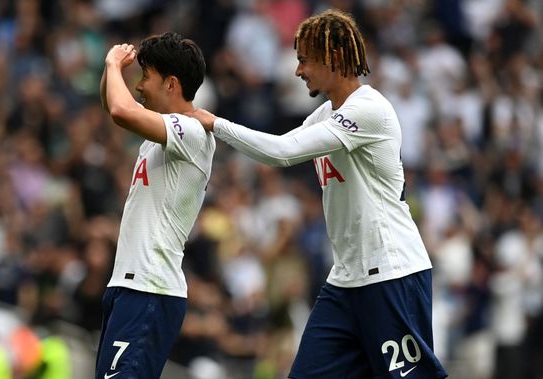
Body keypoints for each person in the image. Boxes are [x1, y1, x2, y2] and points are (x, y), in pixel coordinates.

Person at [188, 9, 448, 379]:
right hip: (345, 280)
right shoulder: (325, 114)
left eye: (304, 60)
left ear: (335, 58)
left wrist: (214, 122)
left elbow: (281, 151)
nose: (298, 71)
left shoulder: (368, 110)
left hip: (391, 273)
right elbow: (275, 148)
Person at [95, 32, 215, 379]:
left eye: (146, 76)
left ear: (171, 84)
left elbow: (120, 109)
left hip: (150, 288)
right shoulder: (161, 137)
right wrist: (112, 70)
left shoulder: (191, 131)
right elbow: (112, 104)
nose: (139, 86)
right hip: (130, 286)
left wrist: (112, 63)